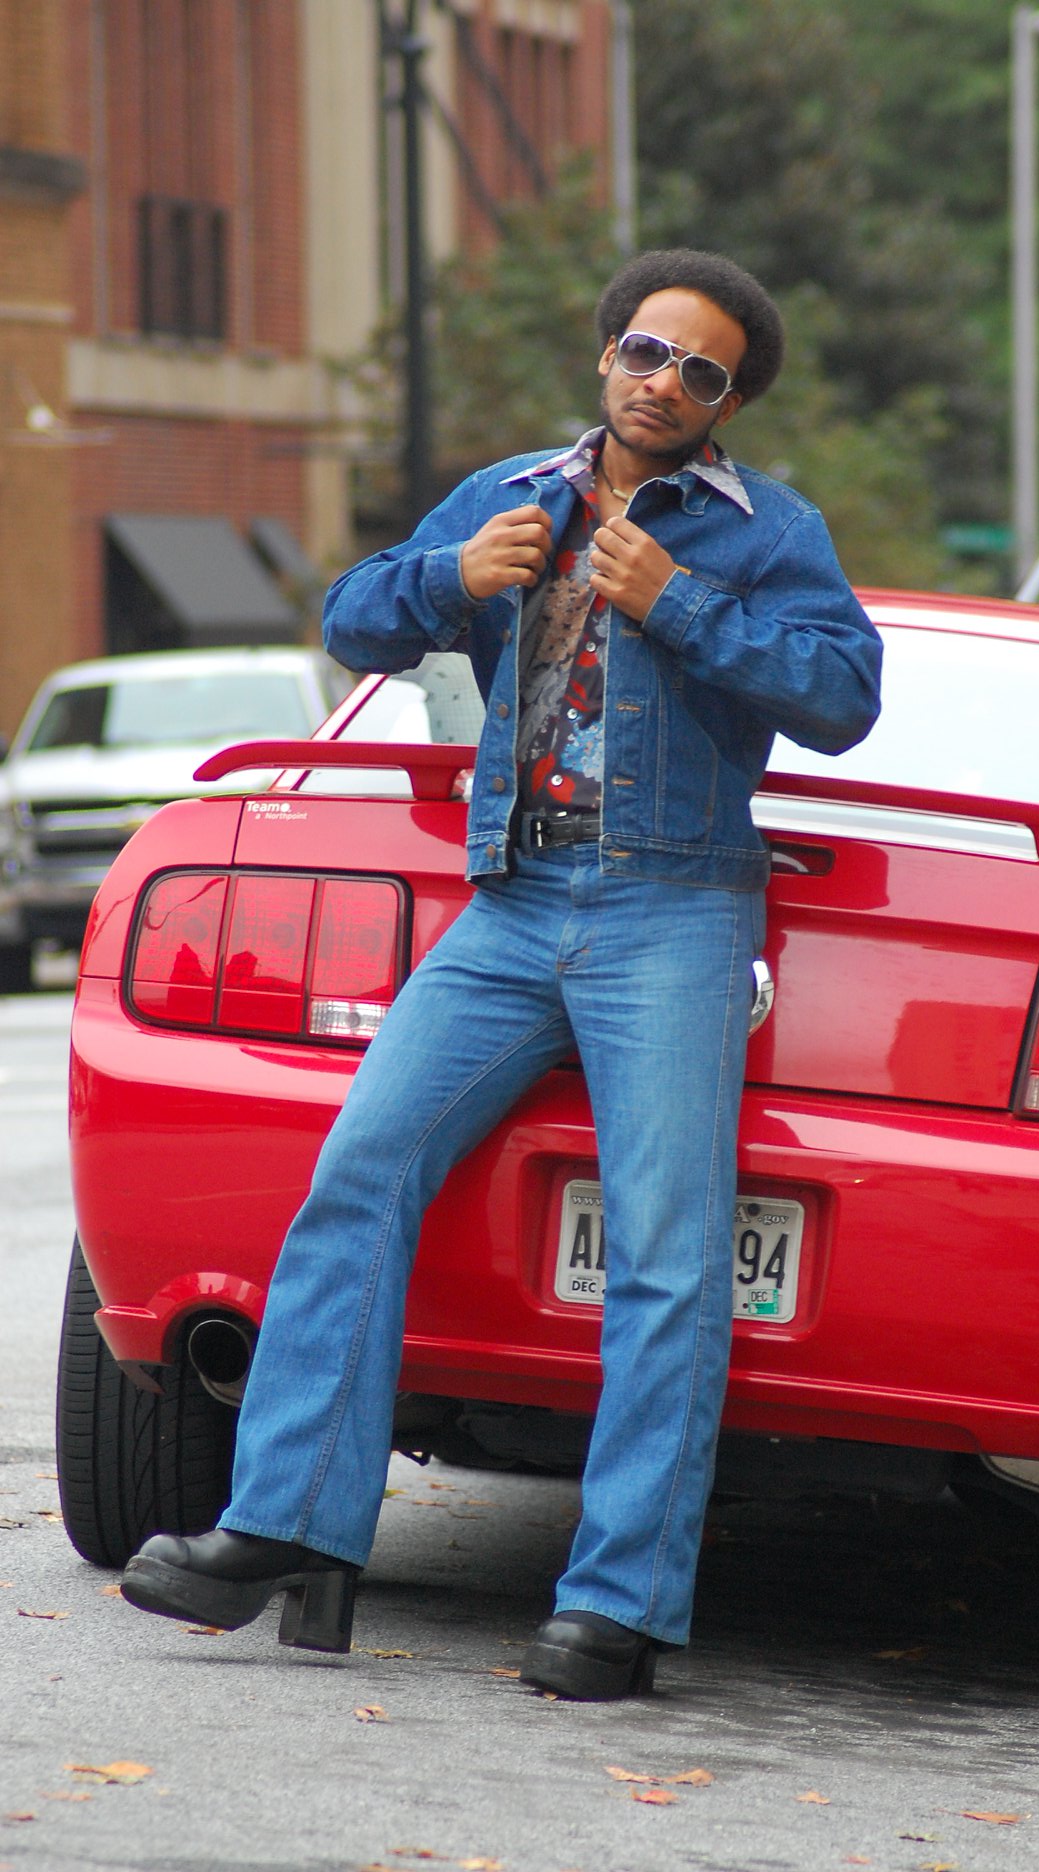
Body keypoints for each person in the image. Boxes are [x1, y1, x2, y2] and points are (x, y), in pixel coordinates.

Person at [120, 247, 883, 1699]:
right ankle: (287, 1522)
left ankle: (618, 1607)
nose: (665, 382)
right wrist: (449, 576)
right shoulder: (509, 495)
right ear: (607, 355)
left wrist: (678, 601)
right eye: (647, 351)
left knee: (665, 1253)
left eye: (701, 372)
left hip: (673, 911)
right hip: (512, 903)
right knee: (360, 1173)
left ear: (727, 405)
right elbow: (352, 618)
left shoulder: (771, 531)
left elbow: (845, 696)